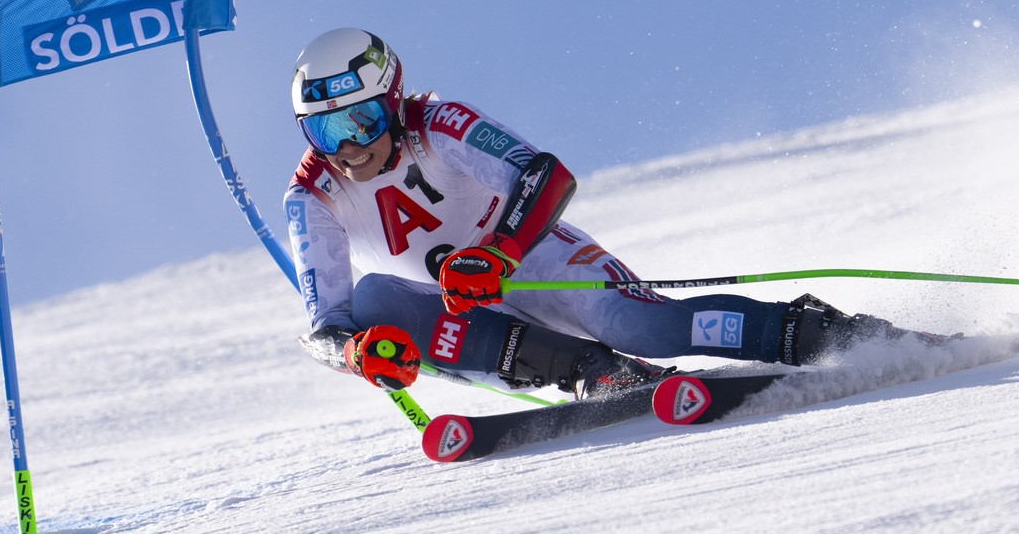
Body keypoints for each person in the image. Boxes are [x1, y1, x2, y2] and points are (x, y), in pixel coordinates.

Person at [286, 28, 933, 398]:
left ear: (392, 100)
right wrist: (359, 354)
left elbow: (545, 174)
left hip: (533, 257)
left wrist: (501, 251)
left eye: (362, 119)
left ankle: (831, 334)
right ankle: (593, 373)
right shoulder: (311, 197)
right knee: (373, 300)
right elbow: (324, 328)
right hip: (462, 310)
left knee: (643, 326)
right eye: (324, 132)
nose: (349, 147)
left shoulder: (438, 121)